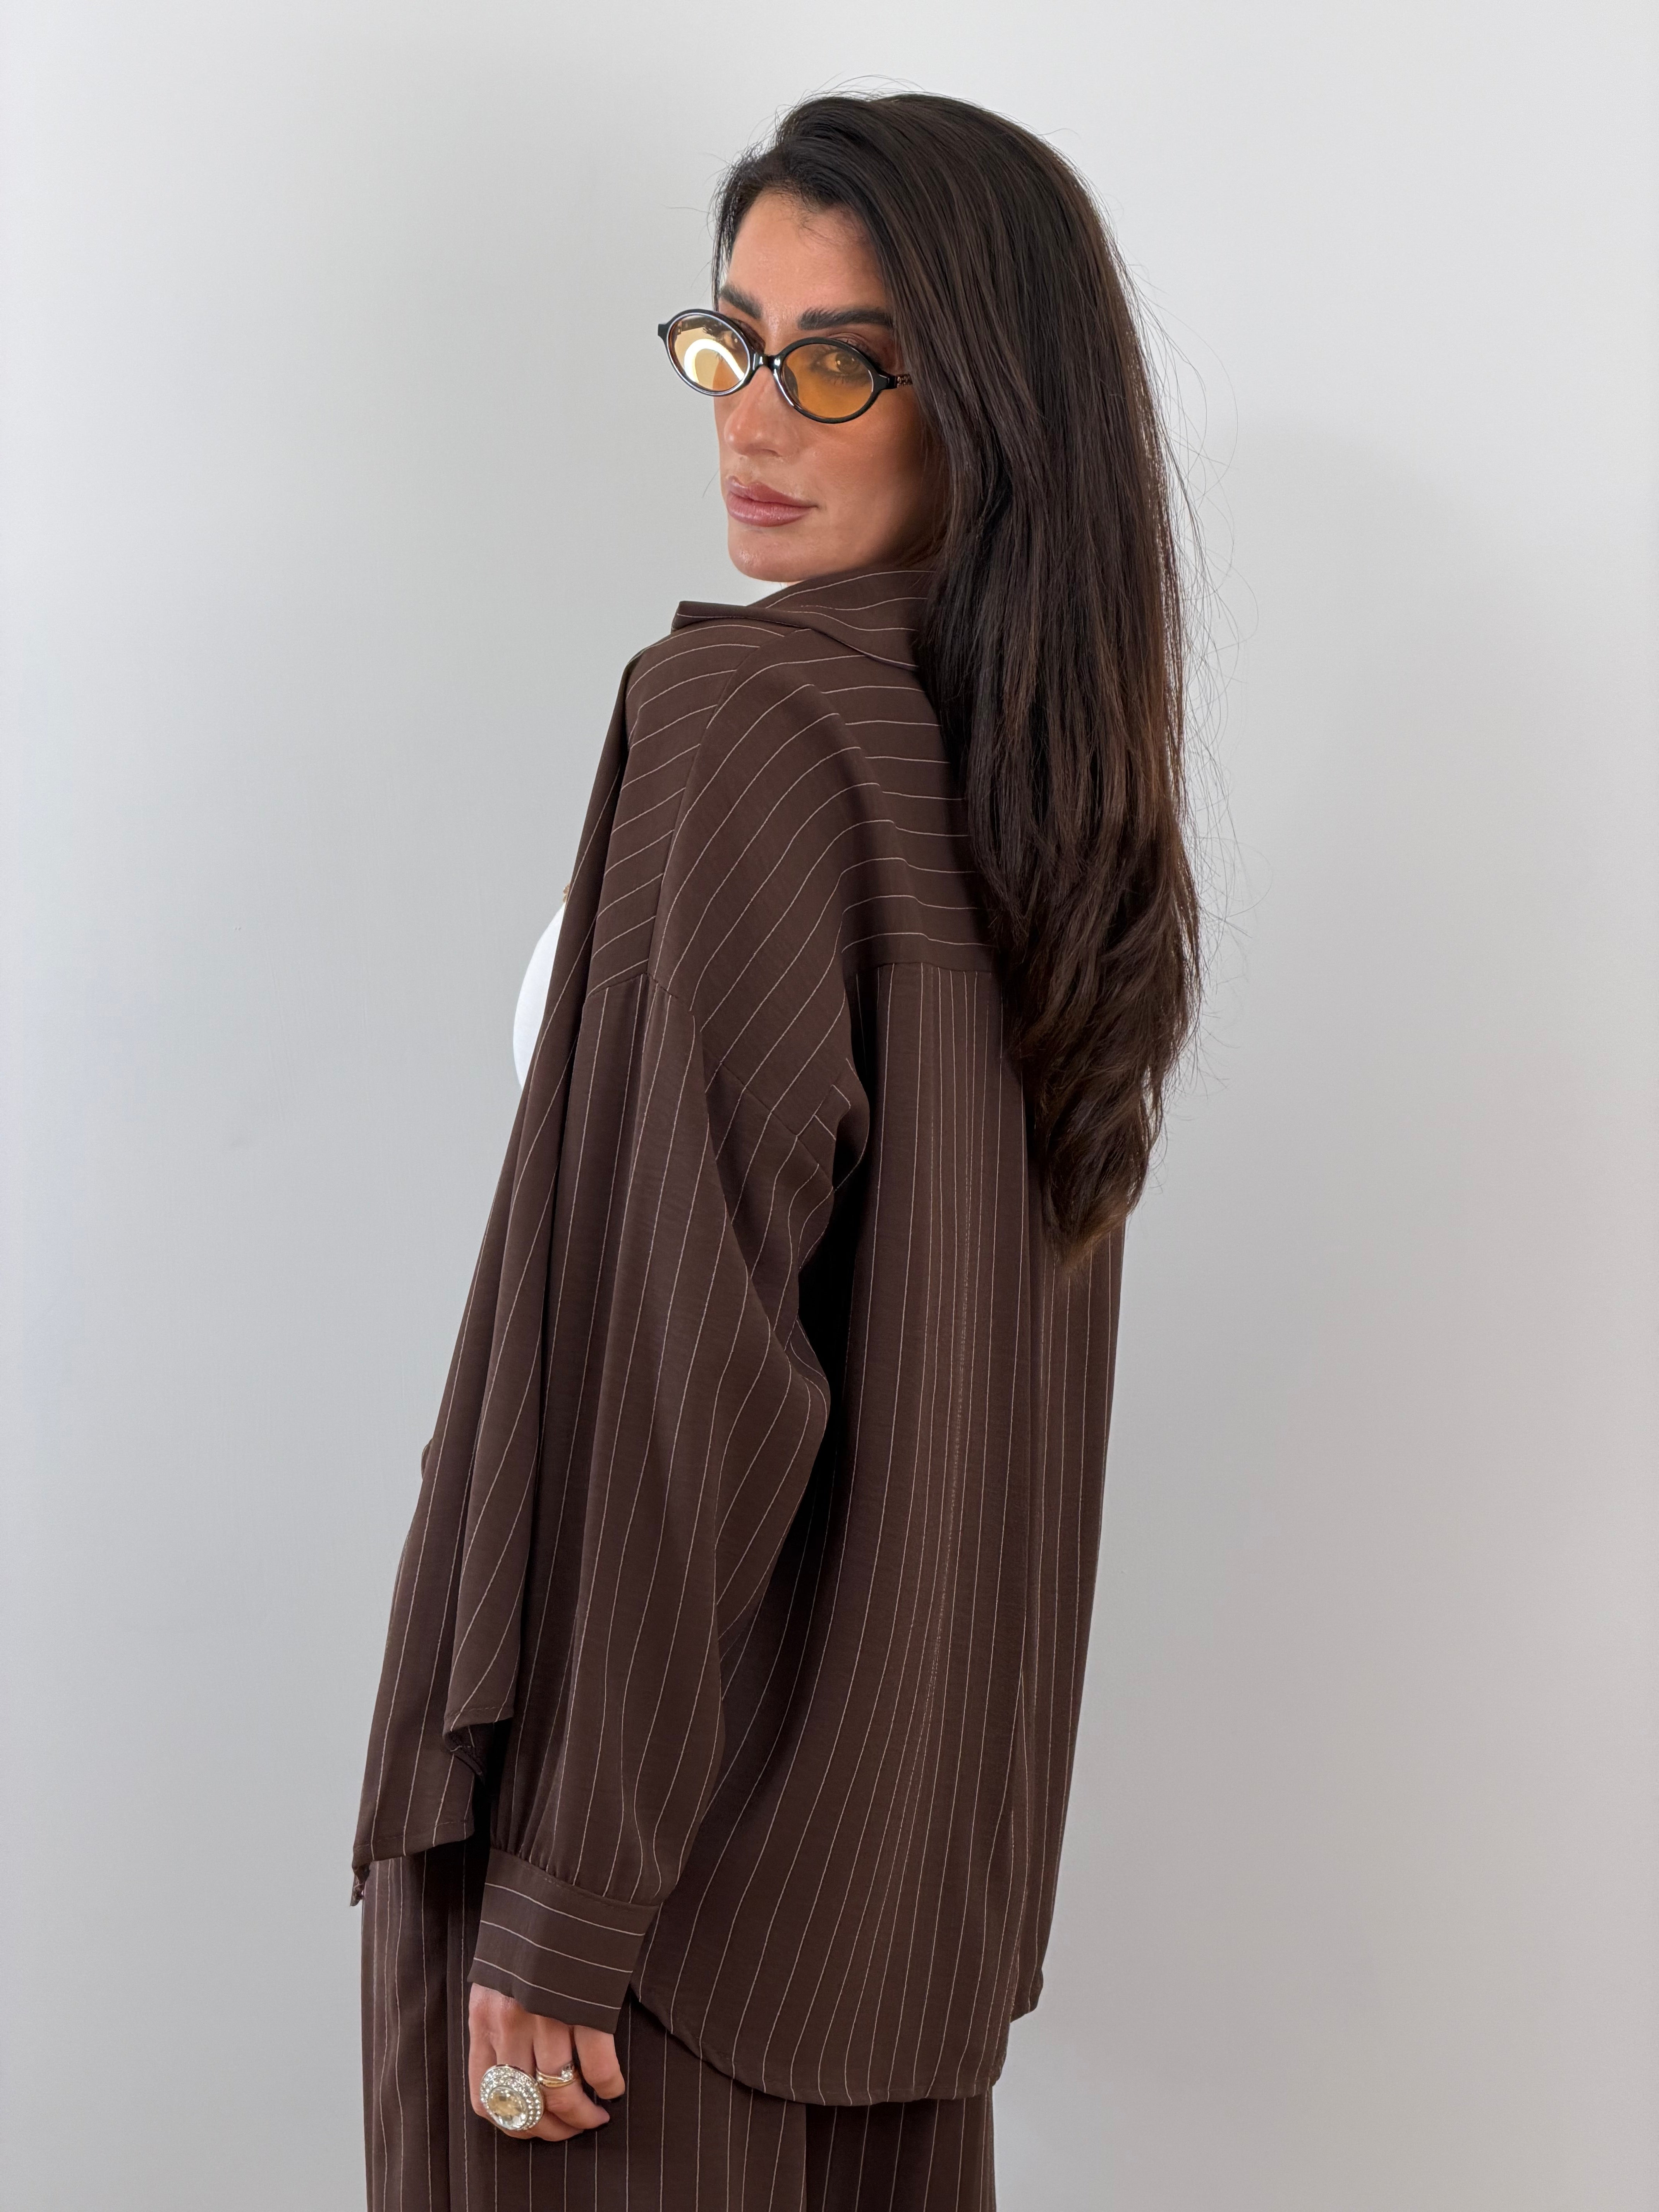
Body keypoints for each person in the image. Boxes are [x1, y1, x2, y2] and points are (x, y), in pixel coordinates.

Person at [353, 88, 1200, 2212]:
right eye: (734, 340)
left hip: (643, 1928)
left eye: (842, 364)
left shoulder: (746, 728)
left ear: (989, 410)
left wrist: (566, 1887)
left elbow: (688, 1356)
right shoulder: (1036, 791)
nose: (755, 414)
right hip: (883, 1918)